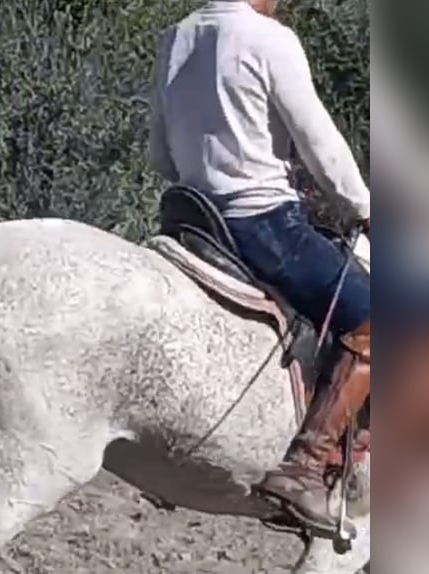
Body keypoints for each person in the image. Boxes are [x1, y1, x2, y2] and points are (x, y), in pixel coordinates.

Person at [148, 0, 371, 536]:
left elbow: (159, 155)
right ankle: (308, 466)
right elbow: (321, 145)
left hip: (191, 220)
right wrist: (364, 206)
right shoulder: (270, 39)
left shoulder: (175, 37)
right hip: (264, 225)